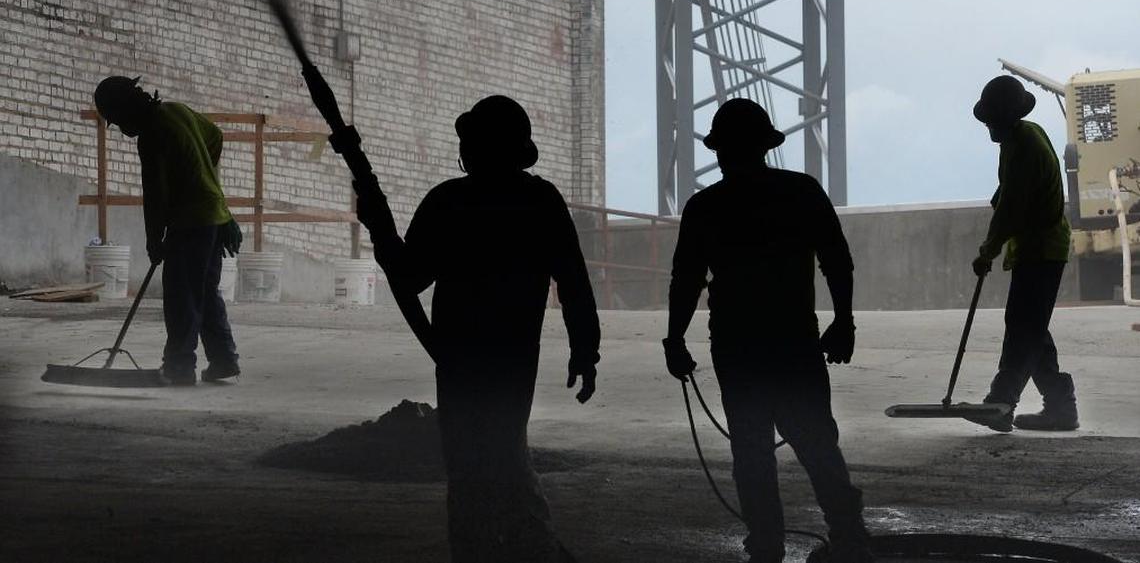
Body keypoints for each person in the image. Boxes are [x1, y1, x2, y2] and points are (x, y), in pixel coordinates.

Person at [303, 68, 600, 562]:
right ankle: (528, 547)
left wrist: (378, 224)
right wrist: (585, 350)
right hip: (512, 358)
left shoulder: (450, 201)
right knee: (504, 455)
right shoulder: (539, 200)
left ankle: (500, 549)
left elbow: (408, 275)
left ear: (474, 147)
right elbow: (573, 281)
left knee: (471, 468)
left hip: (460, 358)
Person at [662, 98, 872, 563]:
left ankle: (766, 545)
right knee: (817, 442)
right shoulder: (801, 192)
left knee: (752, 450)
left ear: (719, 151)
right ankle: (850, 539)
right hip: (794, 341)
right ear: (765, 147)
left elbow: (687, 280)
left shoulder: (706, 207)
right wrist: (843, 322)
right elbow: (837, 260)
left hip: (737, 347)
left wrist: (675, 340)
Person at [93, 76, 243, 386]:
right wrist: (202, 176)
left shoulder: (152, 135)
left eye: (119, 119)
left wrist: (153, 238)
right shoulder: (178, 111)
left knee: (181, 294)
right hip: (213, 216)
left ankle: (179, 365)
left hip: (190, 221)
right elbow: (215, 137)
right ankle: (224, 359)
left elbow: (156, 193)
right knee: (204, 290)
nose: (121, 128)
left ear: (128, 108)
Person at [967, 75, 1076, 432]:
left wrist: (988, 251)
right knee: (1031, 327)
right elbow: (1008, 191)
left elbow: (1011, 207)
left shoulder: (1023, 145)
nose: (988, 129)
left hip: (1042, 248)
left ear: (1005, 118)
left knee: (1023, 328)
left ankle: (1001, 401)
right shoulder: (1025, 136)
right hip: (1039, 247)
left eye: (991, 122)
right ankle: (1061, 407)